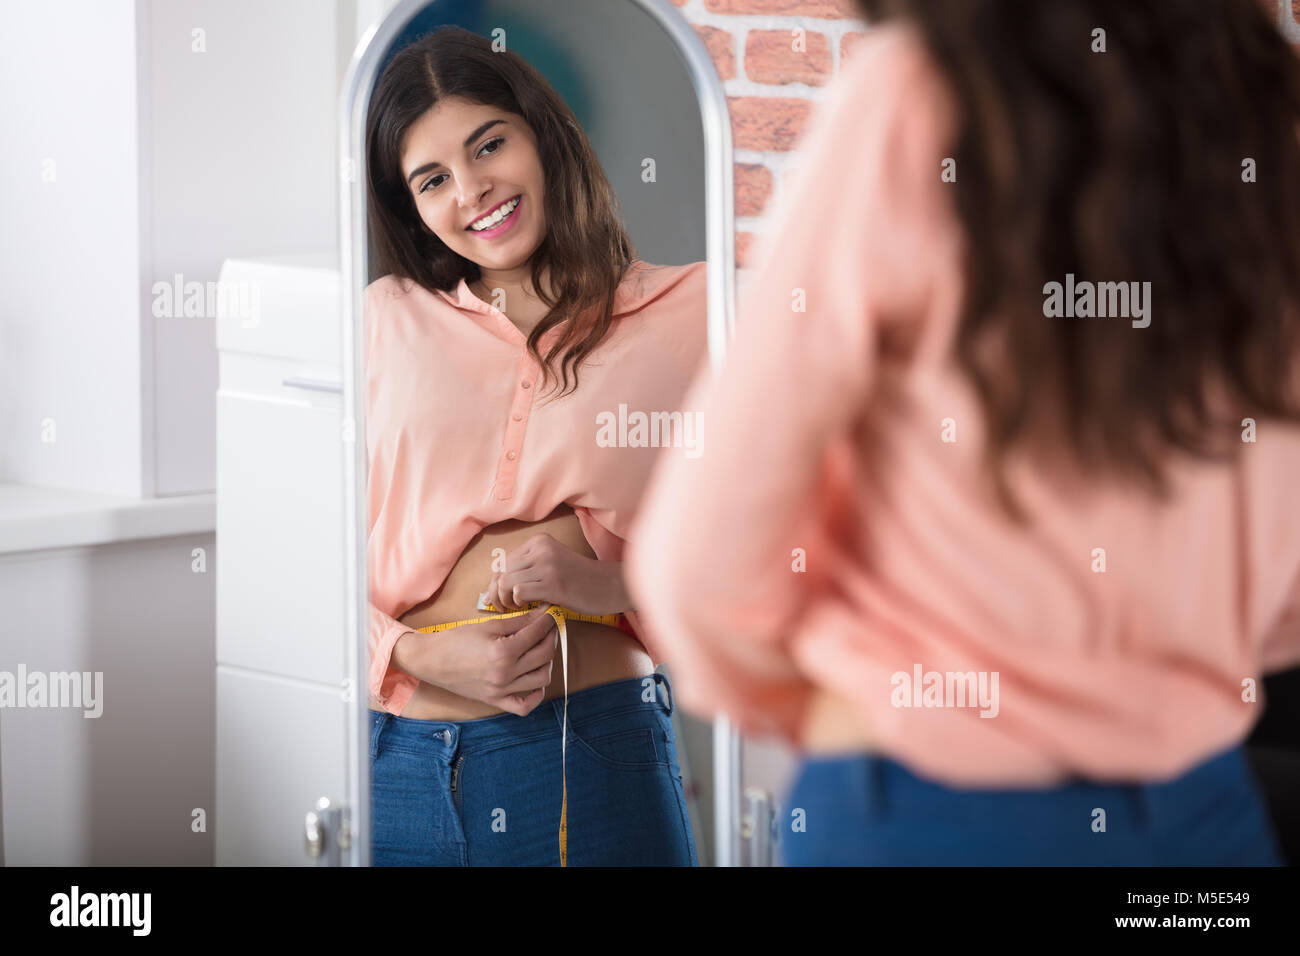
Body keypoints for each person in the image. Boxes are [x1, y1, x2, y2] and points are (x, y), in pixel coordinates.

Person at [624, 0, 1300, 865]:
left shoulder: (919, 100)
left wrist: (825, 705)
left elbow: (696, 559)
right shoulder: (1267, 116)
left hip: (923, 809)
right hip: (1197, 825)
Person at [364, 26, 704, 866]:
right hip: (401, 762)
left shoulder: (693, 313)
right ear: (411, 207)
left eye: (490, 145)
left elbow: (772, 557)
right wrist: (412, 651)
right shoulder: (385, 319)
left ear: (542, 135)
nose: (473, 190)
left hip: (593, 750)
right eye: (432, 179)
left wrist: (607, 582)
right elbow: (301, 559)